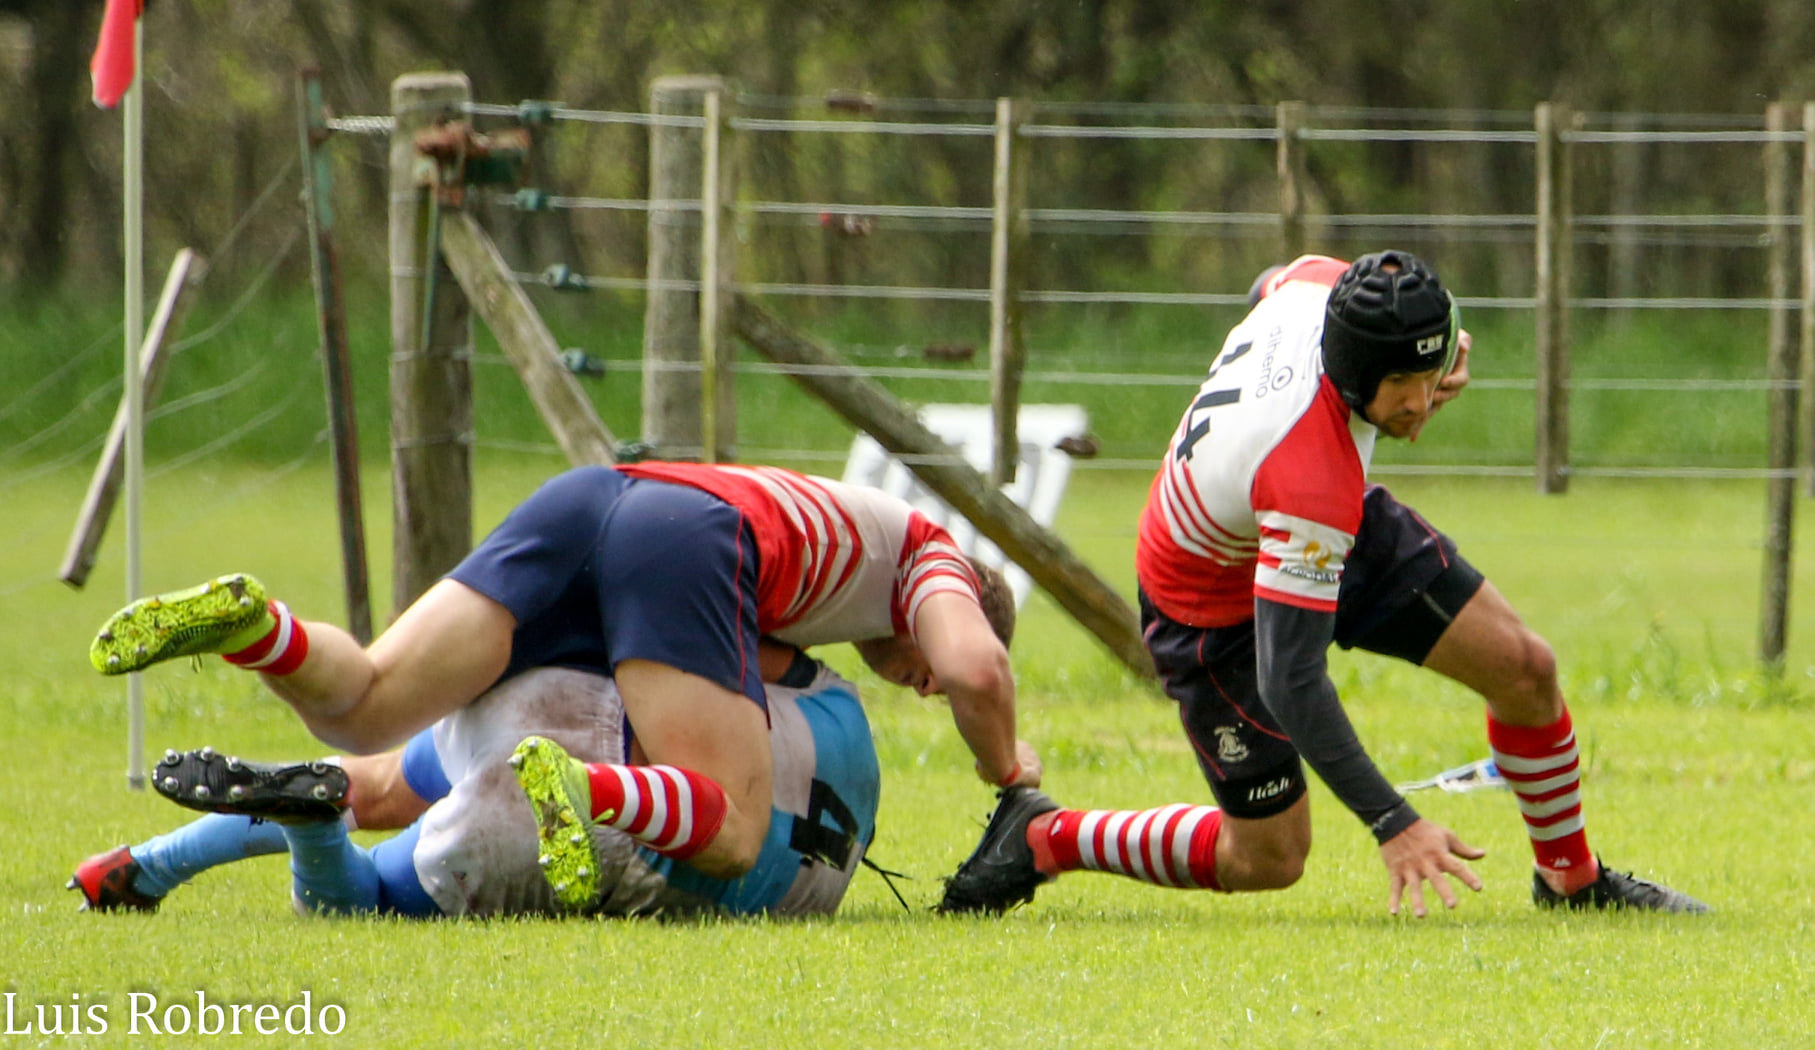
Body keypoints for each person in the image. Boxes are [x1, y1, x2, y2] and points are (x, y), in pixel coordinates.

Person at [940, 251, 1707, 917]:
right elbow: (1290, 677)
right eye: (1399, 381)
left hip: (1310, 523)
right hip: (1208, 602)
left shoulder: (1323, 292)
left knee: (1524, 668)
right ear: (1350, 370)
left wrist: (1436, 358)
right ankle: (1046, 836)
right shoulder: (1310, 471)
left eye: (1427, 370)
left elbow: (1267, 282)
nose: (1418, 399)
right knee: (1267, 858)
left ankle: (1571, 883)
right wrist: (1393, 822)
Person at [90, 462, 1039, 909]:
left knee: (365, 704)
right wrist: (1007, 773)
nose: (922, 684)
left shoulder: (828, 566)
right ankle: (580, 790)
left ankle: (261, 628)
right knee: (736, 825)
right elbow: (974, 667)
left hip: (593, 495)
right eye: (917, 673)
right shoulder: (929, 557)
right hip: (684, 541)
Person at [71, 645, 881, 918]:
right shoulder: (806, 896)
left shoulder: (843, 707)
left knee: (376, 785)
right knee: (365, 899)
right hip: (583, 815)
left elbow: (722, 639)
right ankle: (311, 828)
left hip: (555, 693)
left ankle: (142, 866)